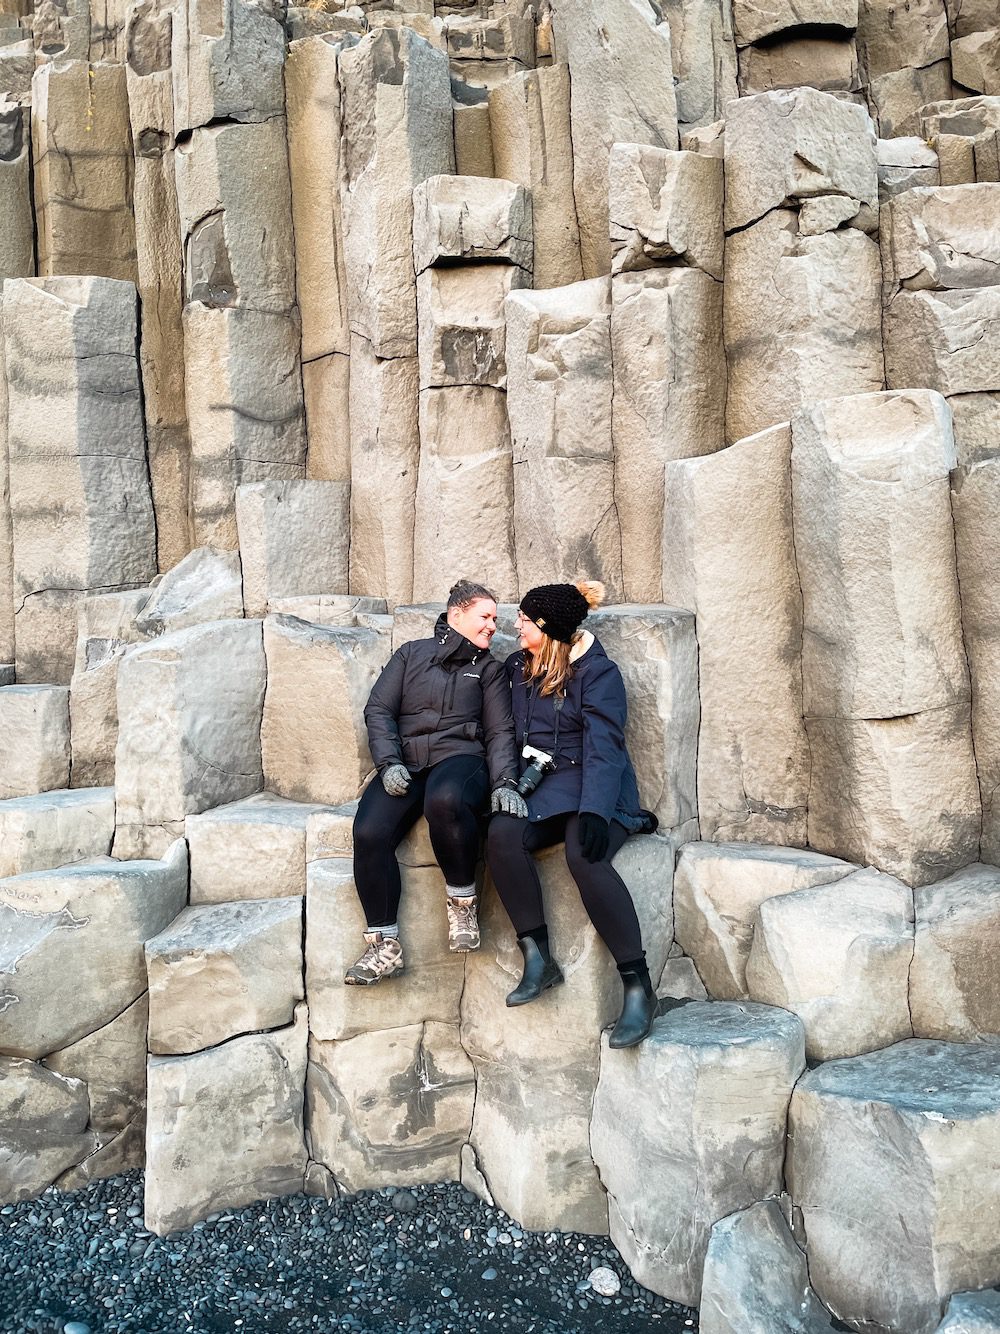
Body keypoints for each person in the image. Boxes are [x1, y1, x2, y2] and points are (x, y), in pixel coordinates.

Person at [486, 580, 658, 1049]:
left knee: (584, 855)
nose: (515, 625)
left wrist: (598, 812)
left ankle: (638, 984)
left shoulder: (599, 675)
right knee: (502, 836)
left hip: (593, 783)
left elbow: (606, 748)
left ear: (547, 627)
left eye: (524, 619)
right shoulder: (517, 666)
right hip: (540, 783)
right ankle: (538, 958)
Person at [345, 579, 528, 986]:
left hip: (460, 759)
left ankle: (463, 902)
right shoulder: (411, 655)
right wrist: (389, 761)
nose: (492, 627)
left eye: (495, 620)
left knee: (444, 800)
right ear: (456, 614)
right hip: (407, 762)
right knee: (369, 830)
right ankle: (384, 946)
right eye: (485, 617)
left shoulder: (490, 670)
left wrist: (504, 783)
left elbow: (500, 731)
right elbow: (379, 710)